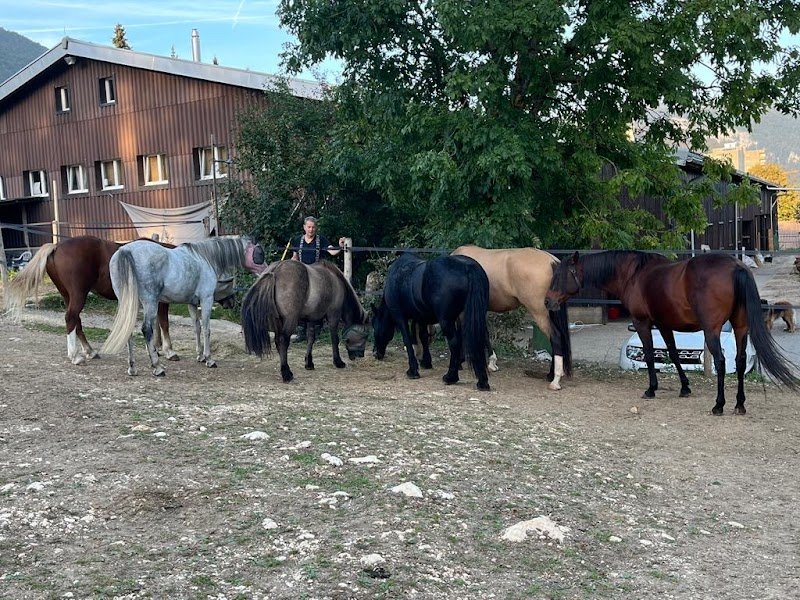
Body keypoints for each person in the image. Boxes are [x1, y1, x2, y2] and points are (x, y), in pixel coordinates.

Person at [290, 216, 347, 342]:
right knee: (297, 299)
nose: (311, 230)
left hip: (317, 275)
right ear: (304, 227)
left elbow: (332, 252)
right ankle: (301, 331)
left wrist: (340, 246)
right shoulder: (297, 240)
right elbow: (294, 257)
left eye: (313, 227)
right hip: (302, 275)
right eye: (309, 227)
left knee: (318, 300)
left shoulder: (321, 240)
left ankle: (316, 330)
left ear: (316, 228)